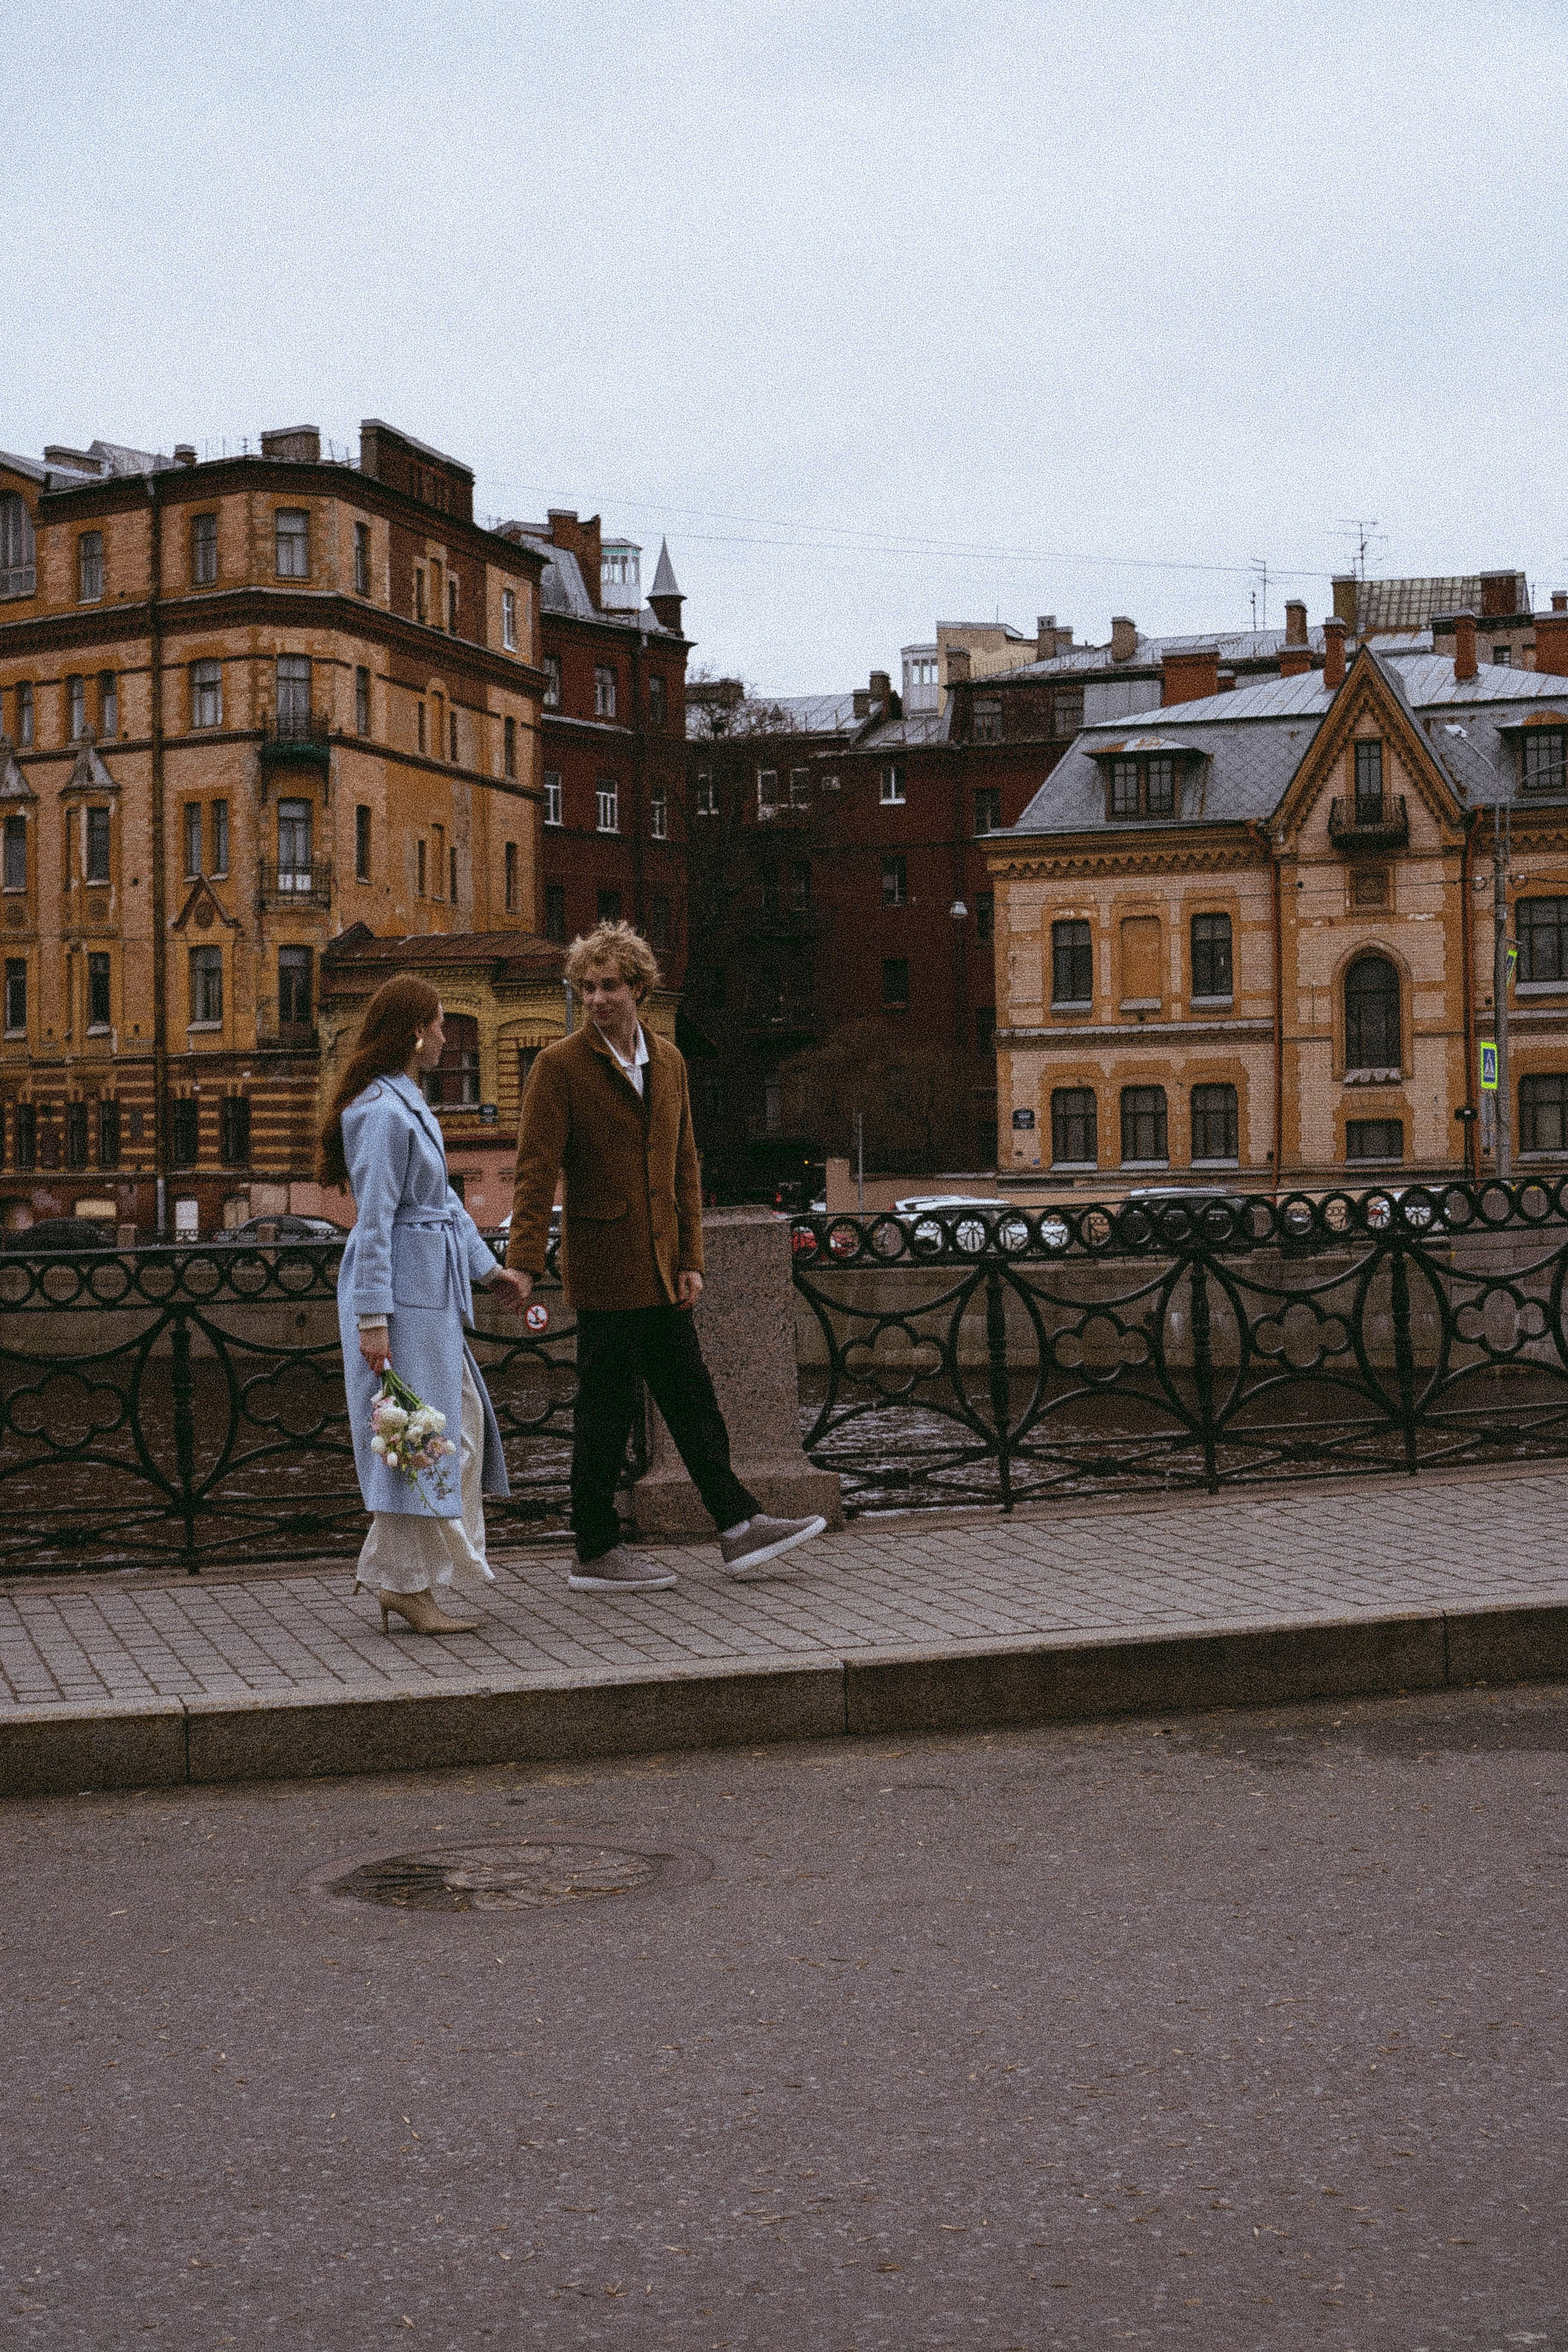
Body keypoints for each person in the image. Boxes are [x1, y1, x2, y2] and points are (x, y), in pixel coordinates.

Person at [506, 920, 824, 1594]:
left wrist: (692, 1259)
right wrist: (525, 1262)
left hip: (662, 1270)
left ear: (639, 989)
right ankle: (595, 1548)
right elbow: (535, 1171)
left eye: (609, 986)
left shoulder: (670, 1060)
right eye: (587, 988)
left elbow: (684, 1166)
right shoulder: (559, 1067)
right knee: (605, 1413)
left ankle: (738, 1527)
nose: (597, 999)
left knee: (692, 1402)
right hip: (606, 1268)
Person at [320, 974, 531, 1634]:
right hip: (403, 1303)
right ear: (416, 1032)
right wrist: (373, 1321)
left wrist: (489, 1270)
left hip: (426, 1297)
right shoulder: (382, 1113)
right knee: (421, 1439)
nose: (445, 1035)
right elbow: (375, 1223)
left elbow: (443, 1206)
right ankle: (404, 1585)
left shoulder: (405, 1103)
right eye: (440, 1023)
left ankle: (399, 1578)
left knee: (441, 1434)